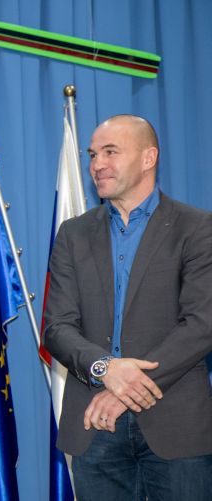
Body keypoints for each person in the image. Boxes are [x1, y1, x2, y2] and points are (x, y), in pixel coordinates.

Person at [43, 114, 212, 500]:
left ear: (148, 158)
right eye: (92, 155)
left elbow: (202, 323)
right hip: (94, 425)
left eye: (110, 152)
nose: (97, 164)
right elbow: (57, 327)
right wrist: (106, 369)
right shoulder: (73, 233)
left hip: (176, 423)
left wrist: (124, 388)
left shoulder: (197, 227)